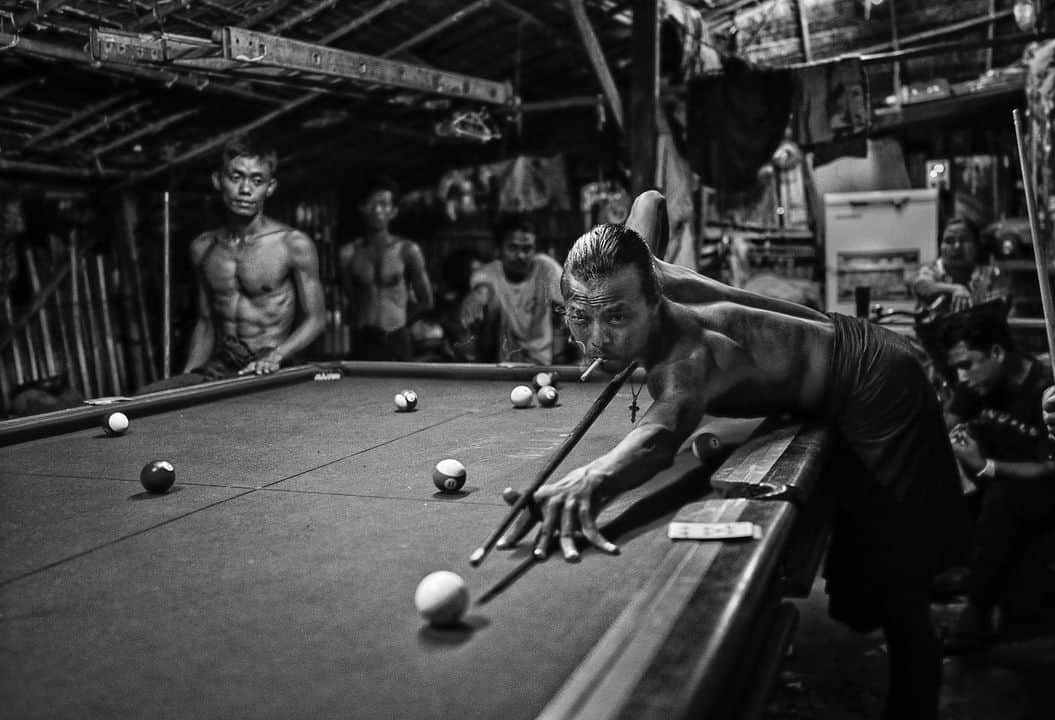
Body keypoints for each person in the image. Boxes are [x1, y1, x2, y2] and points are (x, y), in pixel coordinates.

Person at [497, 191, 970, 720]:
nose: (597, 338)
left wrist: (590, 479)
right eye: (581, 317)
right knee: (868, 572)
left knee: (898, 576)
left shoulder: (686, 357)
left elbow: (658, 436)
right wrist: (631, 253)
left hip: (879, 384)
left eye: (616, 319)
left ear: (653, 299)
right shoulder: (636, 261)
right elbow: (650, 200)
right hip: (847, 348)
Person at [140, 136, 326, 393]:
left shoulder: (292, 244)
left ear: (270, 187)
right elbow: (205, 323)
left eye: (257, 180)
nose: (246, 189)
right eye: (236, 177)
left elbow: (316, 319)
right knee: (149, 395)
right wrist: (187, 379)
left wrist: (276, 356)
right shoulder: (203, 248)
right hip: (223, 365)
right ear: (218, 180)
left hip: (272, 367)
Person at [940, 310, 1055, 651]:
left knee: (1005, 496)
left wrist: (986, 466)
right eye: (957, 367)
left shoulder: (1048, 389)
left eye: (968, 363)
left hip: (1051, 496)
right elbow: (945, 422)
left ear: (997, 353)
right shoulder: (976, 384)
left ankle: (977, 610)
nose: (963, 376)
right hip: (996, 488)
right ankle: (950, 570)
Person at [339, 176, 434, 361]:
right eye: (370, 204)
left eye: (383, 204)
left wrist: (399, 322)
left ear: (394, 211)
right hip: (363, 339)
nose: (377, 210)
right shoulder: (348, 254)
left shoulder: (408, 250)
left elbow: (426, 300)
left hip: (396, 338)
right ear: (361, 208)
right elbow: (350, 297)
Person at [458, 214, 565, 365]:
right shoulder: (488, 273)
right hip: (501, 367)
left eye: (527, 248)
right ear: (499, 249)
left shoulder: (546, 267)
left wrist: (563, 356)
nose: (521, 255)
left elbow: (571, 307)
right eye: (513, 248)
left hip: (541, 366)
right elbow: (482, 288)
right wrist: (478, 296)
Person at [912, 215, 1000, 315]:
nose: (957, 247)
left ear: (977, 245)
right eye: (949, 241)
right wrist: (956, 289)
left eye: (963, 240)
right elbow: (921, 286)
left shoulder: (988, 274)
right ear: (940, 246)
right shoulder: (932, 270)